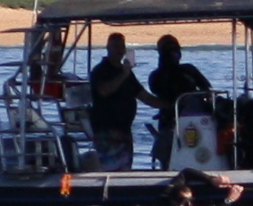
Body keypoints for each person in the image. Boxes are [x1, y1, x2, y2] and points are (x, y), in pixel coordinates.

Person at [144, 33, 213, 169]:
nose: (173, 56)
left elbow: (207, 90)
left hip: (194, 118)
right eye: (168, 53)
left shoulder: (188, 70)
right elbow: (157, 92)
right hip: (169, 119)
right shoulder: (157, 76)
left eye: (176, 53)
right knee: (168, 152)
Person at [84, 31, 141, 168]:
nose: (119, 50)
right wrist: (124, 74)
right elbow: (104, 91)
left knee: (125, 169)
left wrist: (170, 105)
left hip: (124, 131)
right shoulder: (100, 70)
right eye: (115, 46)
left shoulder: (127, 73)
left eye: (121, 46)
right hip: (107, 131)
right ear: (108, 48)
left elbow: (142, 94)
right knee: (111, 170)